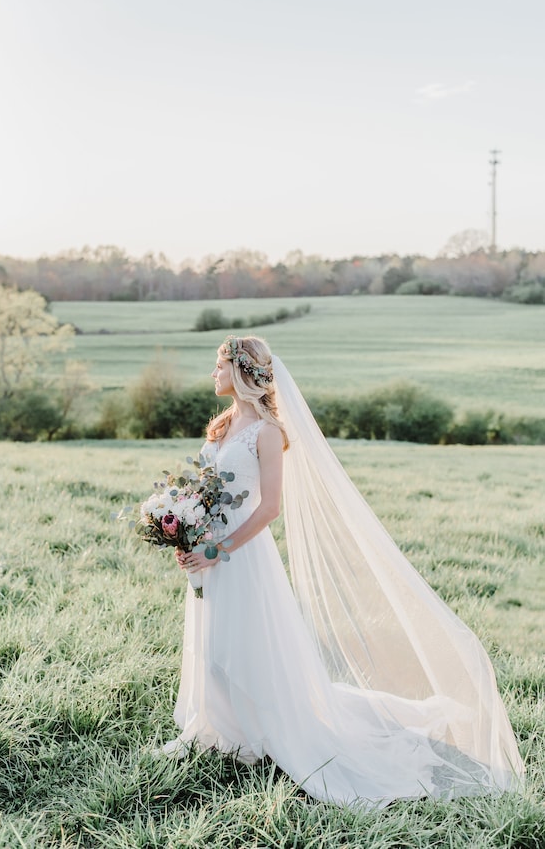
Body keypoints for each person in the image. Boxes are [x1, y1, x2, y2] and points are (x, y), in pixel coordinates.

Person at [160, 335, 524, 809]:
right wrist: (185, 533)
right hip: (208, 552)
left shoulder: (268, 433)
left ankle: (267, 729)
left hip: (241, 556)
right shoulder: (223, 424)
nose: (213, 373)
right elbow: (206, 491)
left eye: (219, 365)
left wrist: (218, 549)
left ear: (243, 372)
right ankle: (224, 727)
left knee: (245, 641)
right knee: (213, 644)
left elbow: (269, 508)